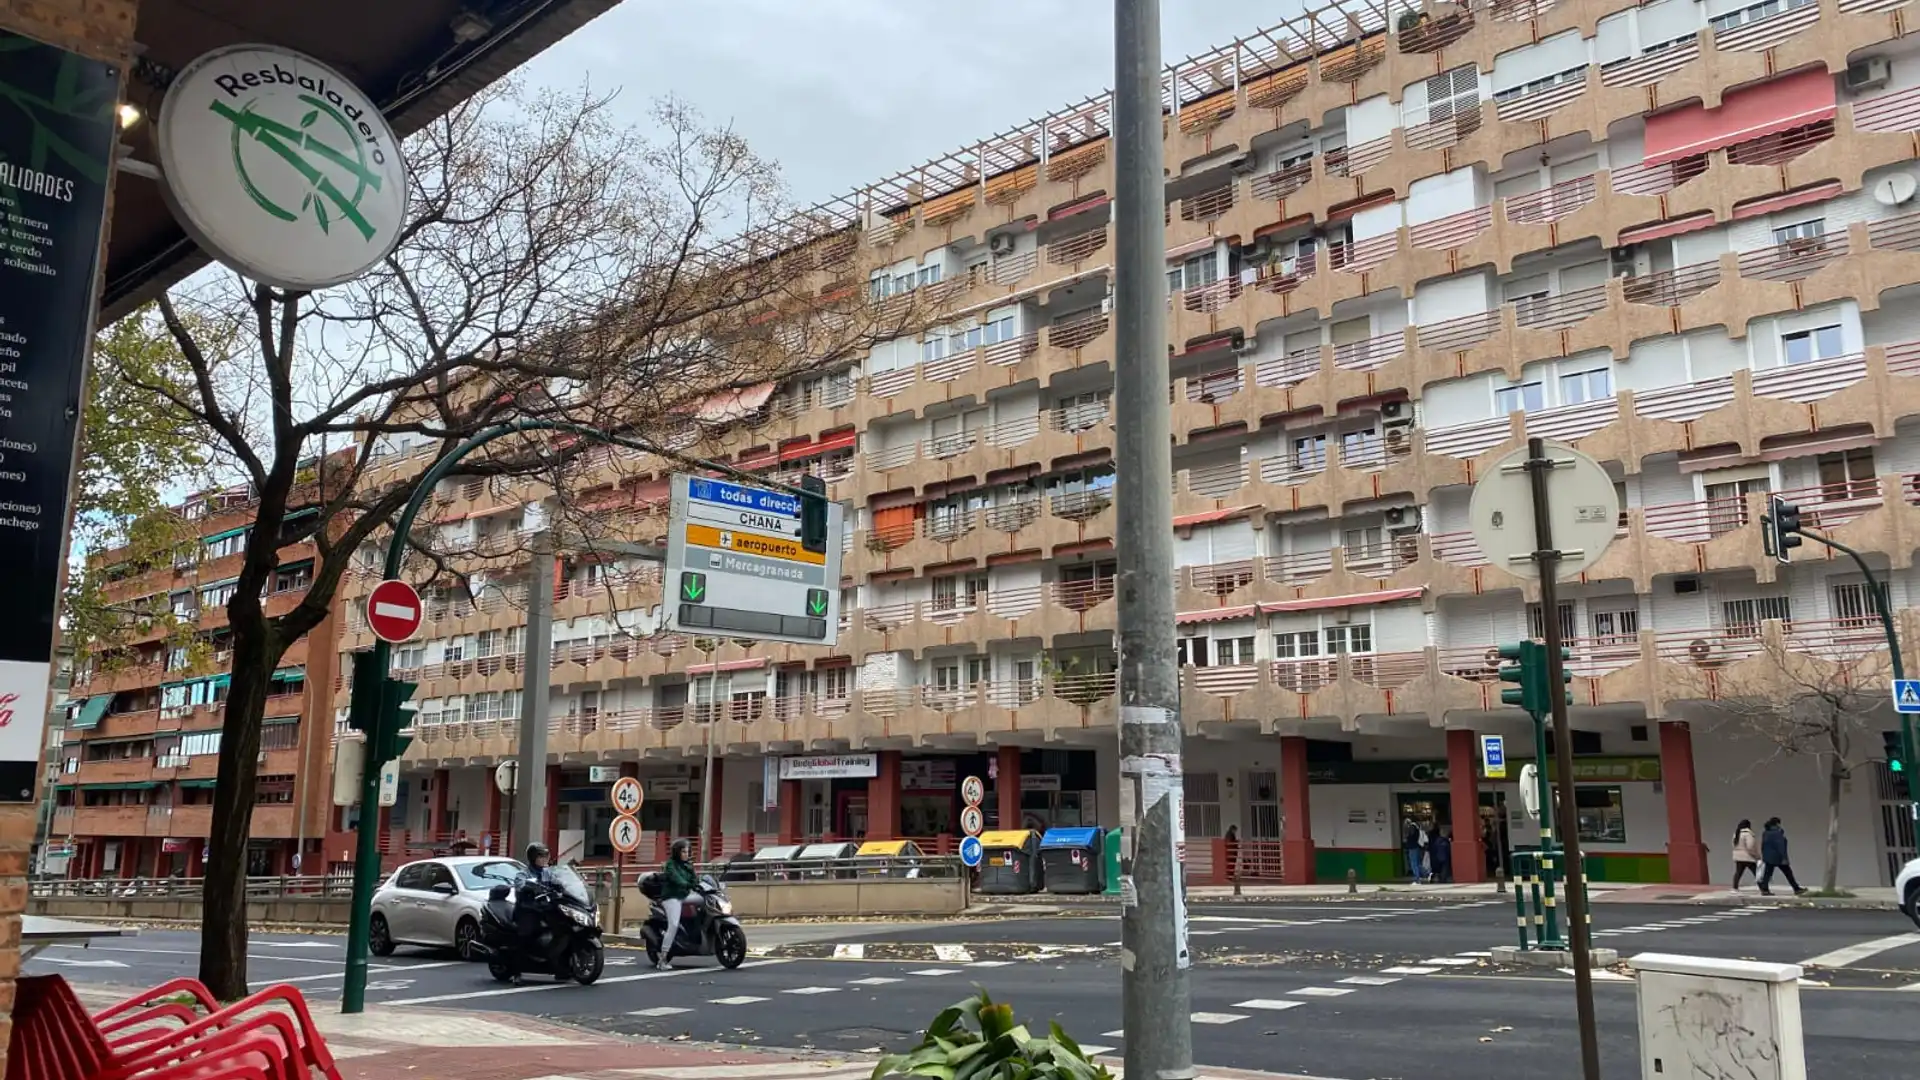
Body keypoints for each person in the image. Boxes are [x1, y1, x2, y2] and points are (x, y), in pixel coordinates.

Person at [657, 837, 699, 969]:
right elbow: (676, 878)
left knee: (706, 901)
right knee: (673, 924)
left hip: (685, 895)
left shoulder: (687, 865)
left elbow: (694, 879)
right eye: (684, 852)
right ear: (677, 852)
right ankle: (663, 959)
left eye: (688, 852)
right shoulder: (670, 864)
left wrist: (697, 884)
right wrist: (686, 884)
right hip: (671, 897)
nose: (686, 854)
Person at [1758, 817, 1807, 896]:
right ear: (1777, 824)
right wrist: (1784, 857)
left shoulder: (1765, 833)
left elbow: (1763, 846)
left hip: (1768, 857)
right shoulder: (1777, 833)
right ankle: (1796, 889)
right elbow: (1780, 846)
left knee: (1767, 874)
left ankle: (1765, 889)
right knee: (1788, 873)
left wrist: (1764, 856)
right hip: (1778, 857)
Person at [1732, 819, 1761, 890]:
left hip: (1738, 857)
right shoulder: (1748, 834)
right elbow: (1750, 846)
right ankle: (1763, 888)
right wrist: (1756, 855)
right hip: (1748, 857)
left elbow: (1733, 844)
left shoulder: (1736, 834)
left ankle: (1735, 887)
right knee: (1757, 873)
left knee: (1738, 873)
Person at [1402, 817, 1427, 883]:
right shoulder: (1416, 827)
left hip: (1412, 847)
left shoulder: (1411, 827)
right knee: (1417, 863)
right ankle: (1427, 873)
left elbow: (1410, 836)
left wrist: (1406, 837)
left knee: (1414, 863)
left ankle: (1417, 878)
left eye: (1405, 822)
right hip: (1416, 846)